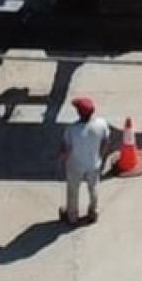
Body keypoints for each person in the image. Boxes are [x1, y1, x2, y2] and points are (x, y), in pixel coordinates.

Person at [59, 96, 111, 225]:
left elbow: (66, 150)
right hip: (93, 163)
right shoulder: (101, 124)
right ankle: (93, 212)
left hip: (75, 165)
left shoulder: (71, 130)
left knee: (73, 190)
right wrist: (100, 156)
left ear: (78, 113)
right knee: (93, 188)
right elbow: (106, 142)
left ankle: (72, 216)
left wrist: (62, 160)